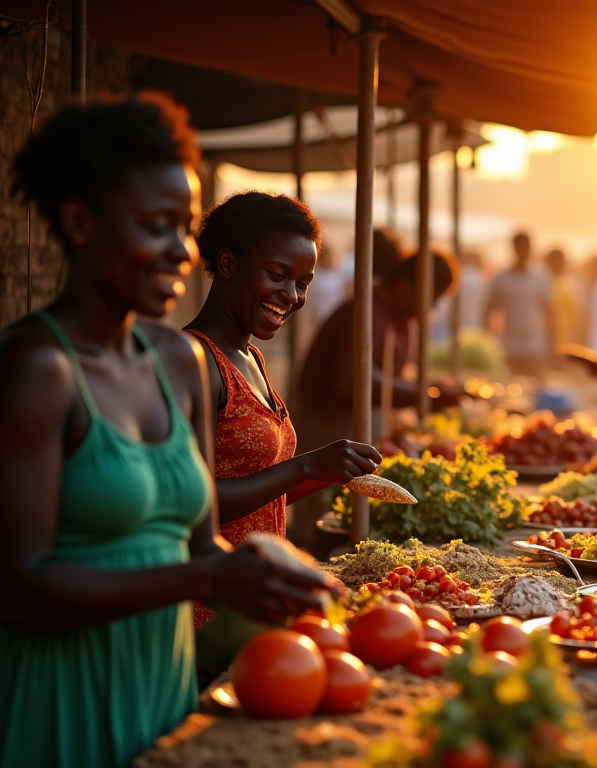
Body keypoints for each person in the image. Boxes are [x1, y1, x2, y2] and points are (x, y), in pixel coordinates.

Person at [0, 94, 331, 768]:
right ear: (80, 222)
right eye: (157, 226)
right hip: (65, 699)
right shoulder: (35, 369)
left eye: (185, 228)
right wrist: (201, 582)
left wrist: (277, 574)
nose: (182, 252)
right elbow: (17, 586)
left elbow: (197, 540)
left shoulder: (174, 361)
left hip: (166, 686)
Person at [183, 191, 382, 630]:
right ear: (229, 265)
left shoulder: (251, 357)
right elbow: (195, 504)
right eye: (278, 275)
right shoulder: (194, 360)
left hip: (259, 603)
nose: (292, 296)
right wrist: (308, 463)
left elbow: (260, 494)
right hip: (212, 614)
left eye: (304, 283)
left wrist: (330, 471)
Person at [290, 248, 461, 548]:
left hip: (356, 432)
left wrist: (428, 390)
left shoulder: (399, 318)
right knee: (320, 527)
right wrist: (425, 396)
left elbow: (390, 378)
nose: (432, 306)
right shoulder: (363, 312)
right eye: (431, 296)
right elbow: (354, 381)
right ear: (406, 286)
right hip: (327, 431)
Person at [486, 231, 553, 376]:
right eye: (519, 247)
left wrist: (553, 347)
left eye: (525, 248)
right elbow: (489, 310)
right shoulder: (502, 278)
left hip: (535, 347)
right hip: (509, 348)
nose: (522, 252)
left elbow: (550, 313)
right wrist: (489, 342)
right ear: (513, 249)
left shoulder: (540, 277)